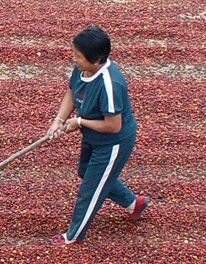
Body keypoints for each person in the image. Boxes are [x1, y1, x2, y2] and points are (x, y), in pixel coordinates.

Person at [45, 26, 149, 244]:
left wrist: (80, 122)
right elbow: (72, 91)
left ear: (96, 59)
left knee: (90, 190)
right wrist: (58, 121)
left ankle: (73, 236)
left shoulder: (111, 85)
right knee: (85, 171)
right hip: (92, 136)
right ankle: (134, 203)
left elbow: (113, 126)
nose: (74, 59)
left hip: (113, 142)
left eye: (78, 56)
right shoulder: (82, 69)